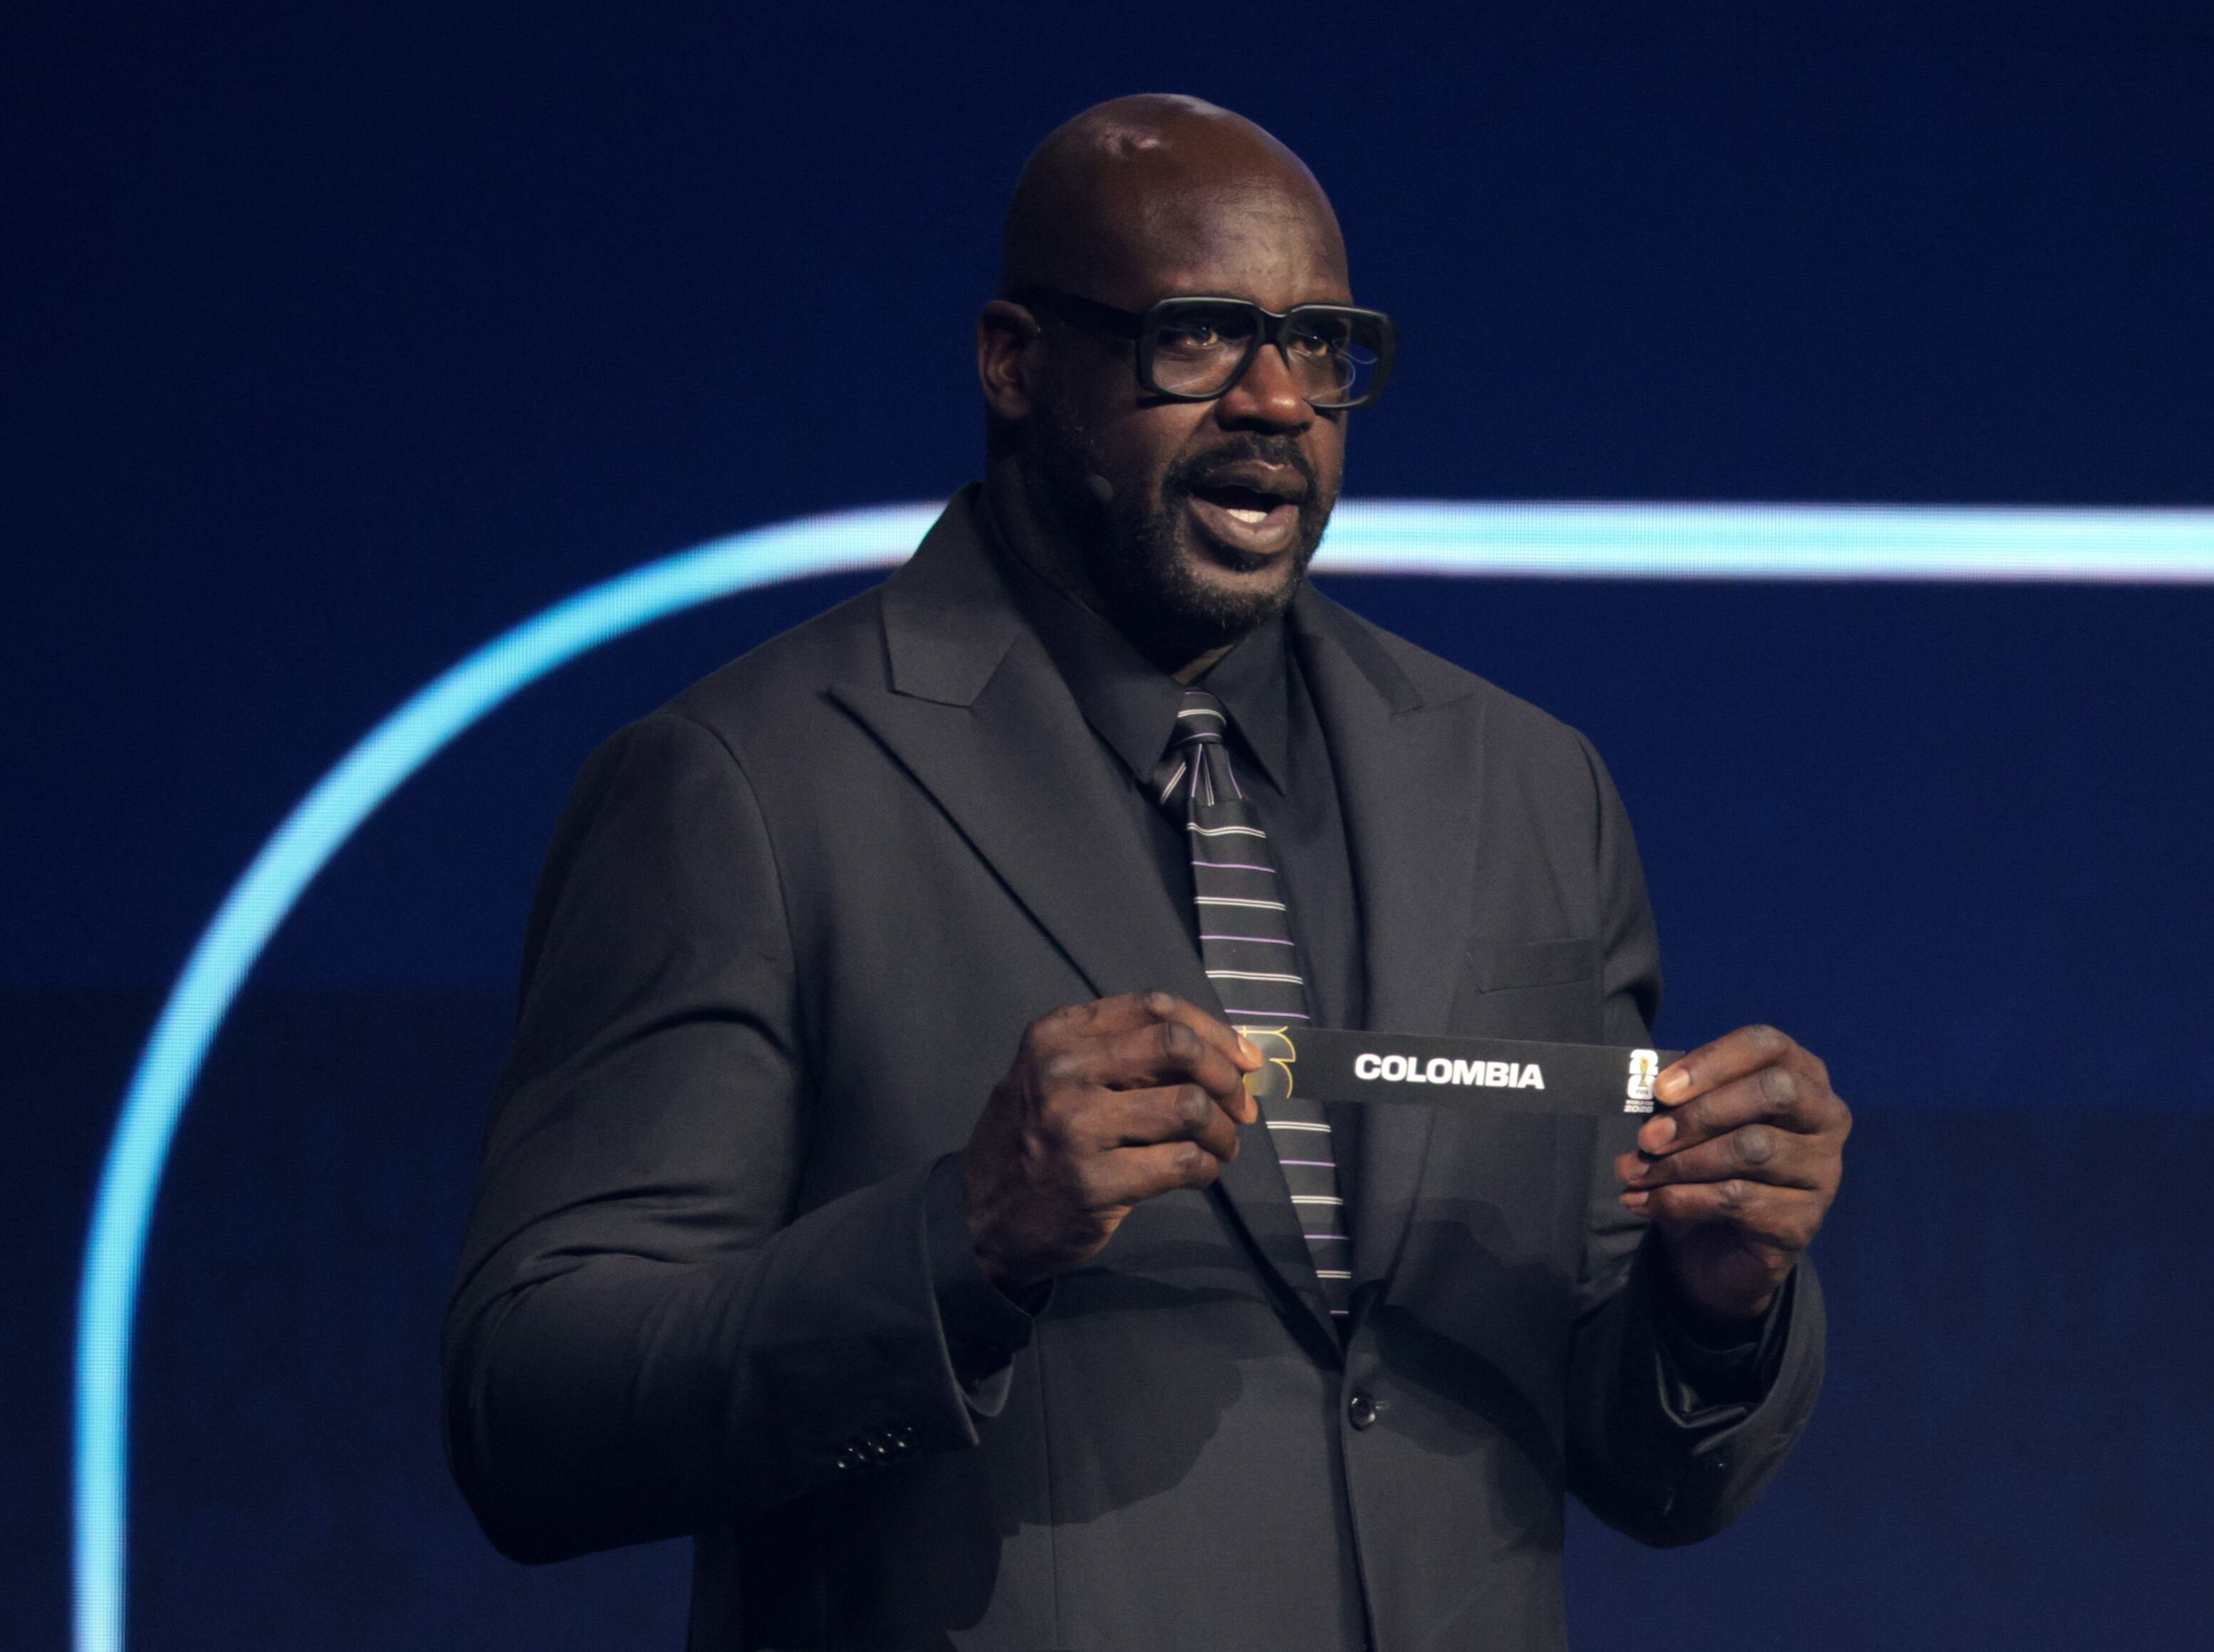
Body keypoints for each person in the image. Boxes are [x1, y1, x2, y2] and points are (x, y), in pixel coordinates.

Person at [444, 93, 1852, 1652]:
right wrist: (961, 1240)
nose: (1275, 401)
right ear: (1014, 361)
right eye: (1198, 336)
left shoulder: (1526, 785)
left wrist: (1715, 1304)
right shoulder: (748, 786)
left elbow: (1649, 1464)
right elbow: (533, 1413)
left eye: (1322, 346)